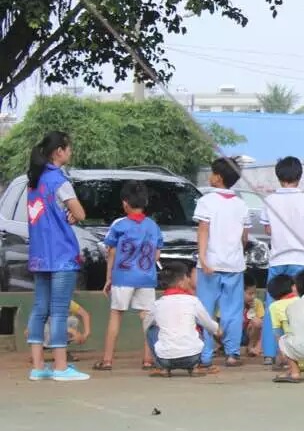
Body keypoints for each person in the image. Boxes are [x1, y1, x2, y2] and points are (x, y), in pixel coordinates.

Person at [25, 131, 89, 382]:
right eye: (68, 148)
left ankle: (38, 366)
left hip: (40, 253)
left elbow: (45, 215)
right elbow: (80, 213)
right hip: (61, 253)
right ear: (59, 151)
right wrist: (72, 214)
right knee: (60, 310)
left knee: (40, 308)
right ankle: (61, 367)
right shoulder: (59, 181)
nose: (70, 152)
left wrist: (66, 214)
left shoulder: (34, 182)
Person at [260, 156, 304, 366]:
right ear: (300, 175)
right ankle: (300, 350)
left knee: (273, 306)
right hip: (300, 259)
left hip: (277, 259)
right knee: (302, 307)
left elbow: (267, 229)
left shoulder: (269, 200)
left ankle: (270, 353)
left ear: (278, 177)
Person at [94, 181, 163, 372]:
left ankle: (107, 360)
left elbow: (112, 253)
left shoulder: (119, 225)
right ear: (145, 202)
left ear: (125, 203)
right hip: (146, 278)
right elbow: (157, 254)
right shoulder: (153, 226)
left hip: (123, 277)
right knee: (147, 318)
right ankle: (148, 360)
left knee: (116, 315)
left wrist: (109, 278)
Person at [193, 157, 251, 371]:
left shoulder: (206, 201)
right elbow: (245, 238)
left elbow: (203, 230)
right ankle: (232, 353)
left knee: (205, 310)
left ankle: (205, 354)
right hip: (234, 264)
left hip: (210, 264)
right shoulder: (241, 204)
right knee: (233, 311)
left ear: (218, 177)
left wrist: (202, 258)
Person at [143, 263, 221, 376]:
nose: (189, 280)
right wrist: (218, 329)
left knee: (151, 330)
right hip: (192, 357)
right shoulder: (193, 301)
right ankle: (194, 368)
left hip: (165, 359)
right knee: (200, 325)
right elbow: (209, 325)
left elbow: (146, 325)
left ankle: (163, 368)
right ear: (182, 280)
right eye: (187, 277)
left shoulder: (157, 304)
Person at [266, 273, 299, 367]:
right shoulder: (302, 299)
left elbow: (277, 333)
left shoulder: (274, 306)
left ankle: (287, 361)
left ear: (272, 295)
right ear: (293, 287)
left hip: (295, 353)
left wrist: (282, 355)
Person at [241, 273, 265, 357]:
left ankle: (250, 347)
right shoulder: (232, 303)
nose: (253, 296)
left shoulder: (257, 302)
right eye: (250, 294)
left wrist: (251, 310)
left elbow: (261, 325)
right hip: (234, 334)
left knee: (257, 322)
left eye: (254, 293)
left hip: (249, 335)